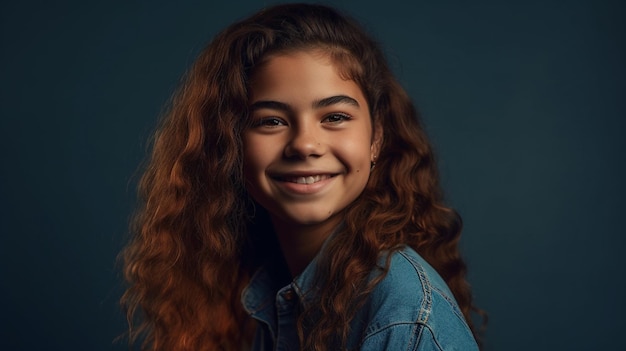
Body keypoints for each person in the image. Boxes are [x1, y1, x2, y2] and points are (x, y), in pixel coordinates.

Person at [121, 3, 483, 350]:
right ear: (229, 144)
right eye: (271, 121)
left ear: (376, 140)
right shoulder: (273, 286)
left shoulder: (402, 311)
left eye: (335, 117)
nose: (305, 144)